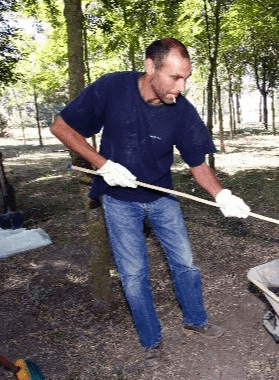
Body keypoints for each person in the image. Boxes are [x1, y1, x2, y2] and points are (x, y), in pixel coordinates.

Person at [50, 37, 250, 367]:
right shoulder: (113, 88)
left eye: (186, 77)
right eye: (175, 77)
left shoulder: (182, 112)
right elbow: (61, 127)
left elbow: (198, 165)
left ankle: (195, 320)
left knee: (185, 264)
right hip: (118, 200)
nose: (182, 86)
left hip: (162, 196)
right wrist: (104, 166)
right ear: (150, 67)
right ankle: (151, 341)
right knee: (133, 275)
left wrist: (222, 195)